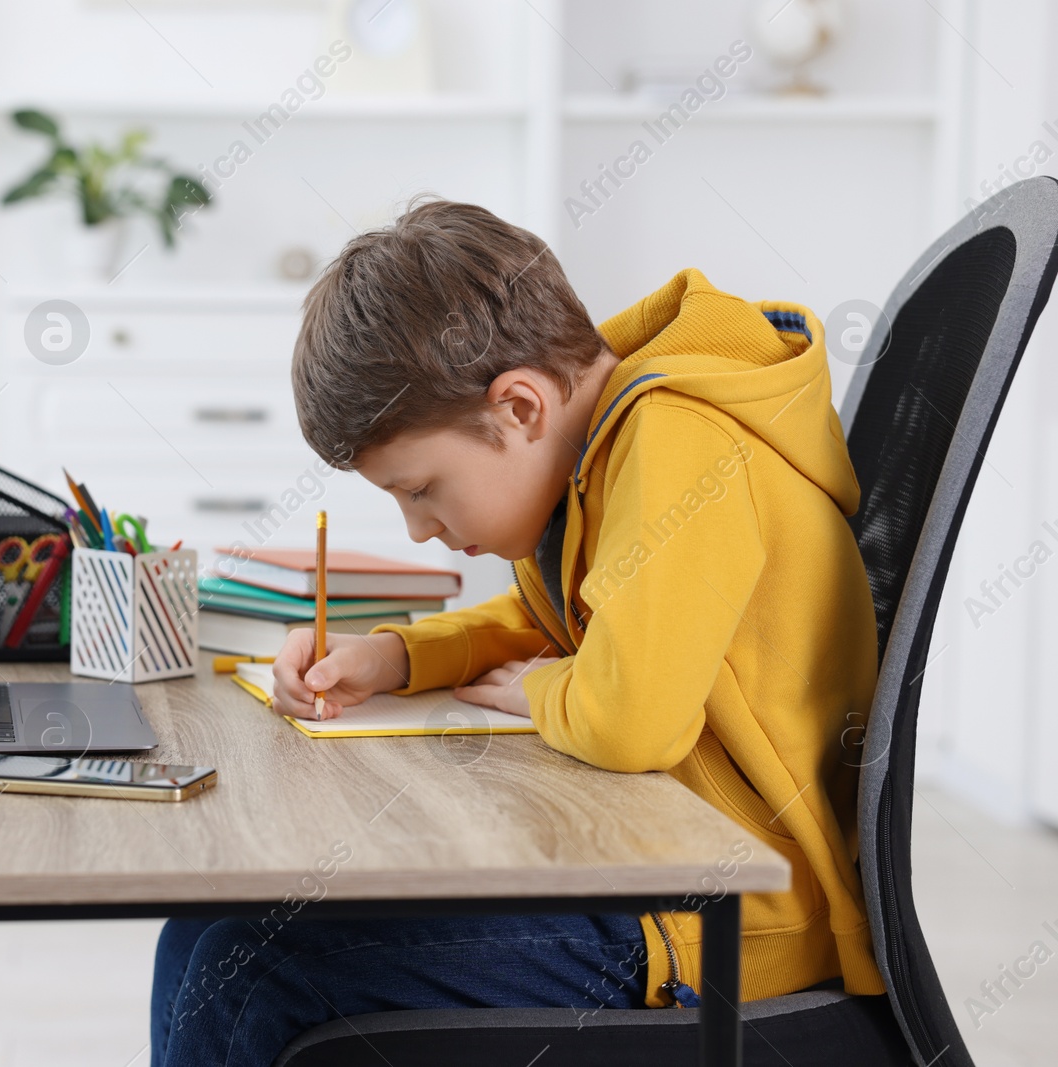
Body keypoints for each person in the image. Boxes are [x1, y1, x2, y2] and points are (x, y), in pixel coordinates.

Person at [150, 199, 885, 1067]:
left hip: (718, 913)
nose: (419, 527)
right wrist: (397, 654)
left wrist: (539, 690)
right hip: (640, 868)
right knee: (200, 925)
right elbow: (554, 622)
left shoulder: (680, 438)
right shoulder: (609, 445)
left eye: (421, 488)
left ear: (521, 408)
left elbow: (628, 715)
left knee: (248, 975)